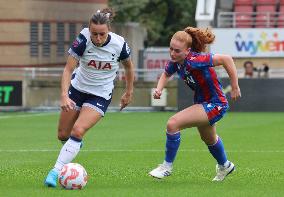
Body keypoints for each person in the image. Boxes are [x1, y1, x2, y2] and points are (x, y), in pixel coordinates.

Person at [44, 8, 134, 187]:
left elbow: (129, 68)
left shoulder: (119, 44)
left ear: (108, 30)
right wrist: (64, 95)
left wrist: (128, 91)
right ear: (89, 30)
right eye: (95, 34)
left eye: (102, 34)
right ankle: (74, 145)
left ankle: (55, 172)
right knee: (63, 134)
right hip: (77, 89)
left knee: (77, 131)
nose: (98, 39)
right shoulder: (83, 39)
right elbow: (68, 69)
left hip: (100, 94)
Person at [148, 27, 241, 181]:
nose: (172, 53)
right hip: (203, 102)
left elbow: (227, 59)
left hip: (215, 103)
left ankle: (166, 167)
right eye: (171, 49)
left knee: (173, 123)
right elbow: (166, 74)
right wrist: (158, 89)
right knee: (209, 139)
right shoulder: (176, 62)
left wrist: (235, 86)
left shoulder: (195, 60)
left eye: (177, 51)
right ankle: (225, 165)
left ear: (187, 51)